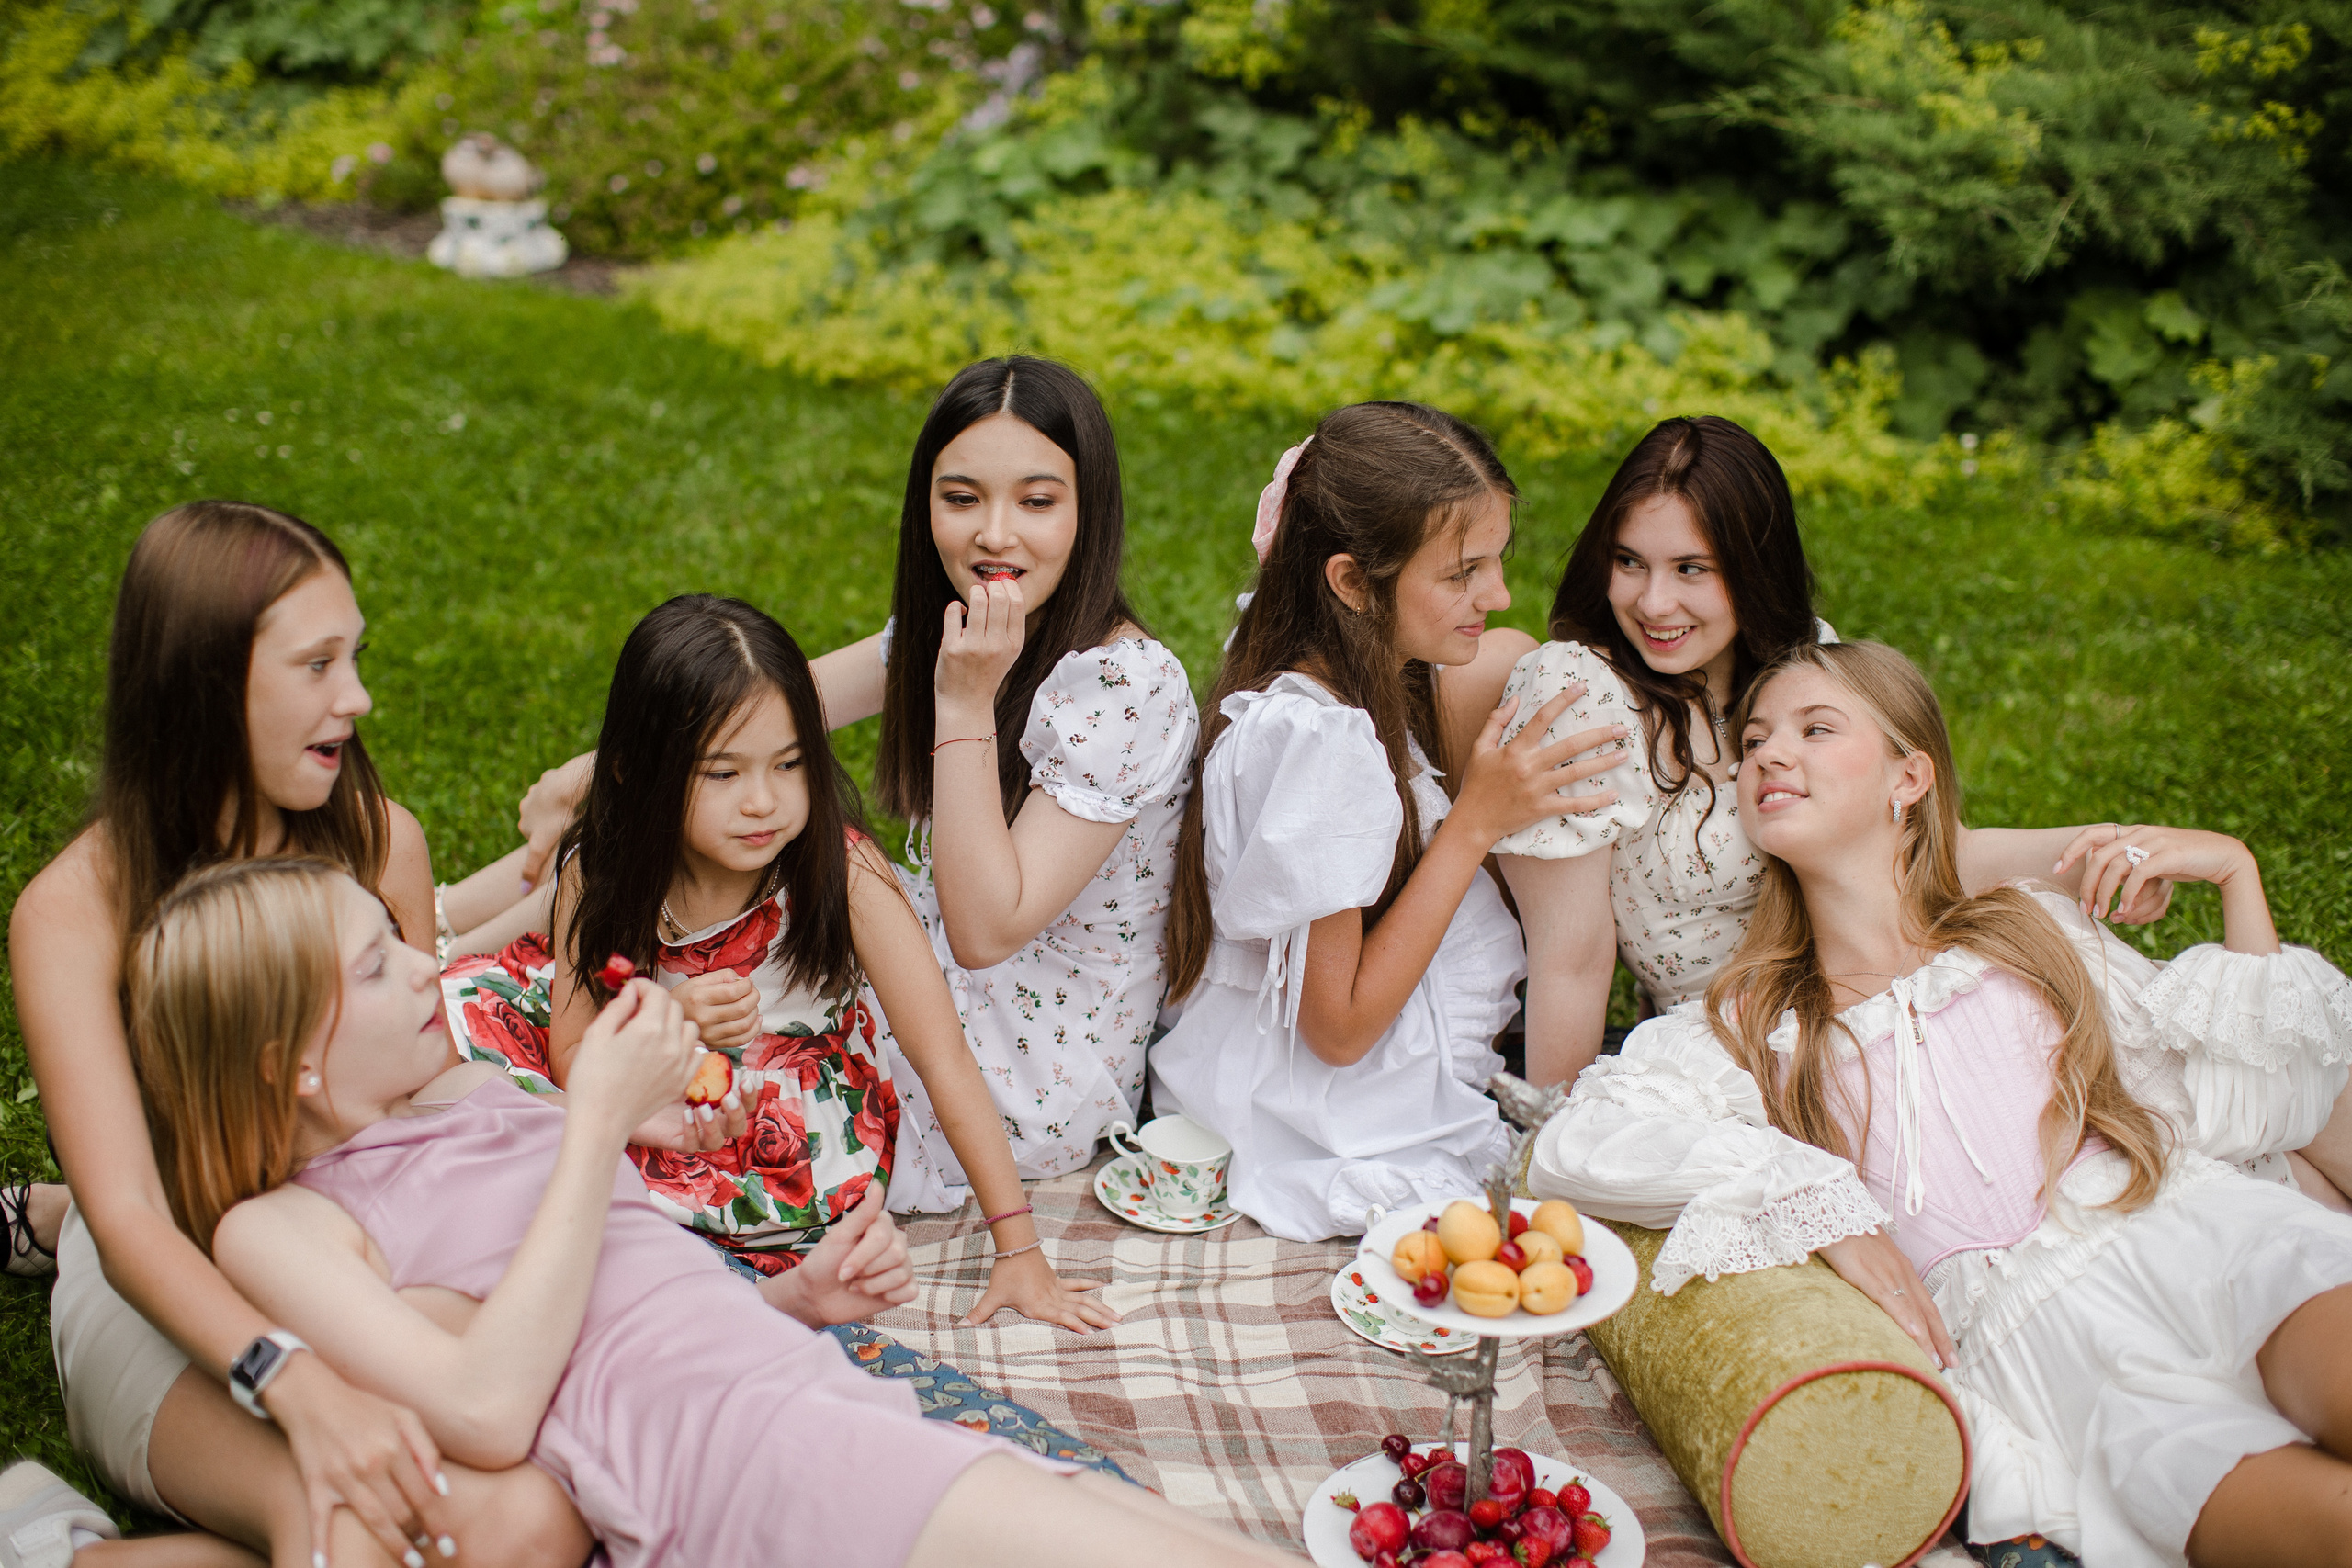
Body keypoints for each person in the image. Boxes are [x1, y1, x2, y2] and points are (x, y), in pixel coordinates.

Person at [140, 857, 1296, 1568]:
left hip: (821, 1406)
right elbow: (490, 1412)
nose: (421, 960)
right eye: (377, 962)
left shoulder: (468, 1093)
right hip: (739, 1477)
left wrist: (791, 1301)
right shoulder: (279, 1228)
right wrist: (593, 1120)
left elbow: (621, 1302)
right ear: (290, 1061)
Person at [1526, 638, 2352, 1568]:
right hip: (2053, 1363)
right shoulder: (1751, 1026)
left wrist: (2237, 871)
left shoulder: (2027, 932)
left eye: (1814, 728)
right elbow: (1574, 1144)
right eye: (1753, 740)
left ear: (1907, 777)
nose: (1768, 754)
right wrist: (1818, 1204)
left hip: (2197, 1239)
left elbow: (2251, 1105)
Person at [6, 502, 584, 1567]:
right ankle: (52, 1545)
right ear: (203, 683)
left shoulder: (380, 843)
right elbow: (129, 1218)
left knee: (524, 1519)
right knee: (346, 1523)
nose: (356, 698)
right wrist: (294, 1379)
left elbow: (426, 1117)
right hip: (172, 1301)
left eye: (353, 657)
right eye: (317, 665)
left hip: (359, 1258)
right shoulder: (75, 910)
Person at [513, 358, 1197, 1228]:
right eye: (961, 499)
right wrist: (591, 770)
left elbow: (987, 931)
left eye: (1036, 501)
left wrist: (964, 701)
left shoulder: (1124, 686)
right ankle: (439, 922)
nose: (996, 534)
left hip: (1023, 1066)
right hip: (910, 970)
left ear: (1087, 508)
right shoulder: (952, 623)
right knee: (636, 837)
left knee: (664, 1046)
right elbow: (753, 704)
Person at [445, 594, 1105, 1329]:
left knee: (561, 1175)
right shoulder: (596, 871)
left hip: (776, 1117)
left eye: (789, 763)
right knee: (464, 1028)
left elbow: (941, 1051)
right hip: (641, 1079)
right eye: (723, 774)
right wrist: (666, 1024)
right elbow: (572, 1054)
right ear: (635, 772)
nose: (763, 801)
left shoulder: (840, 871)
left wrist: (1019, 1247)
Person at [1487, 415, 2194, 1088]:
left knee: (2155, 1053)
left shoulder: (1803, 666)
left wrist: (2093, 851)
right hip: (1743, 1048)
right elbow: (1573, 959)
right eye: (1629, 561)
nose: (1653, 601)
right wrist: (1559, 1146)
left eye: (1692, 569)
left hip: (1887, 985)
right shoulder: (1579, 692)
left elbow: (1922, 851)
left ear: (1754, 569)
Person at [1148, 401, 1623, 1242]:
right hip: (1312, 1119)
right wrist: (1474, 821)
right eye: (1462, 573)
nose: (1499, 593)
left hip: (1274, 1078)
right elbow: (1338, 1030)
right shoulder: (1323, 744)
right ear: (1350, 582)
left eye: (1496, 561)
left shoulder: (1319, 662)